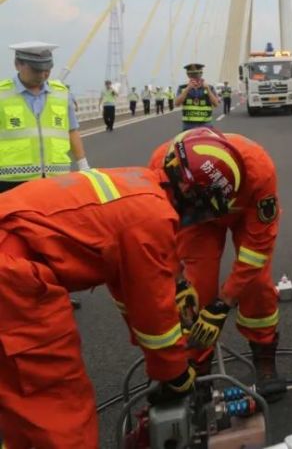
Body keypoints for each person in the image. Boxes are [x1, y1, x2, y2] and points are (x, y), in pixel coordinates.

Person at [0, 137, 244, 449]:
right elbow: (154, 318)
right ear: (191, 194)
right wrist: (175, 374)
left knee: (23, 400)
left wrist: (176, 287)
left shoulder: (139, 183)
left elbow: (124, 277)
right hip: (14, 277)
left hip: (10, 254)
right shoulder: (153, 218)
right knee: (58, 408)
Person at [148, 128, 285, 399]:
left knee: (256, 284)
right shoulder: (161, 166)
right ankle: (197, 364)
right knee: (196, 288)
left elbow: (257, 250)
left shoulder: (260, 172)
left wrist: (223, 303)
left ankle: (264, 352)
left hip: (243, 212)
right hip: (195, 218)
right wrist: (178, 281)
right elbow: (159, 231)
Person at [1, 42, 89, 194]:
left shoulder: (61, 94)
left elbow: (72, 131)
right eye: (36, 70)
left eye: (47, 70)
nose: (42, 75)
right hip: (12, 181)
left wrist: (84, 165)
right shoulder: (3, 94)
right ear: (17, 65)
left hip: (57, 178)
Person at [177, 62, 221, 131]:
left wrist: (208, 89)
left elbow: (216, 104)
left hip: (206, 125)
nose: (195, 77)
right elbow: (177, 103)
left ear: (201, 74)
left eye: (197, 74)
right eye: (192, 75)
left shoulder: (210, 87)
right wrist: (188, 89)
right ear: (188, 75)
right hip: (188, 126)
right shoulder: (183, 88)